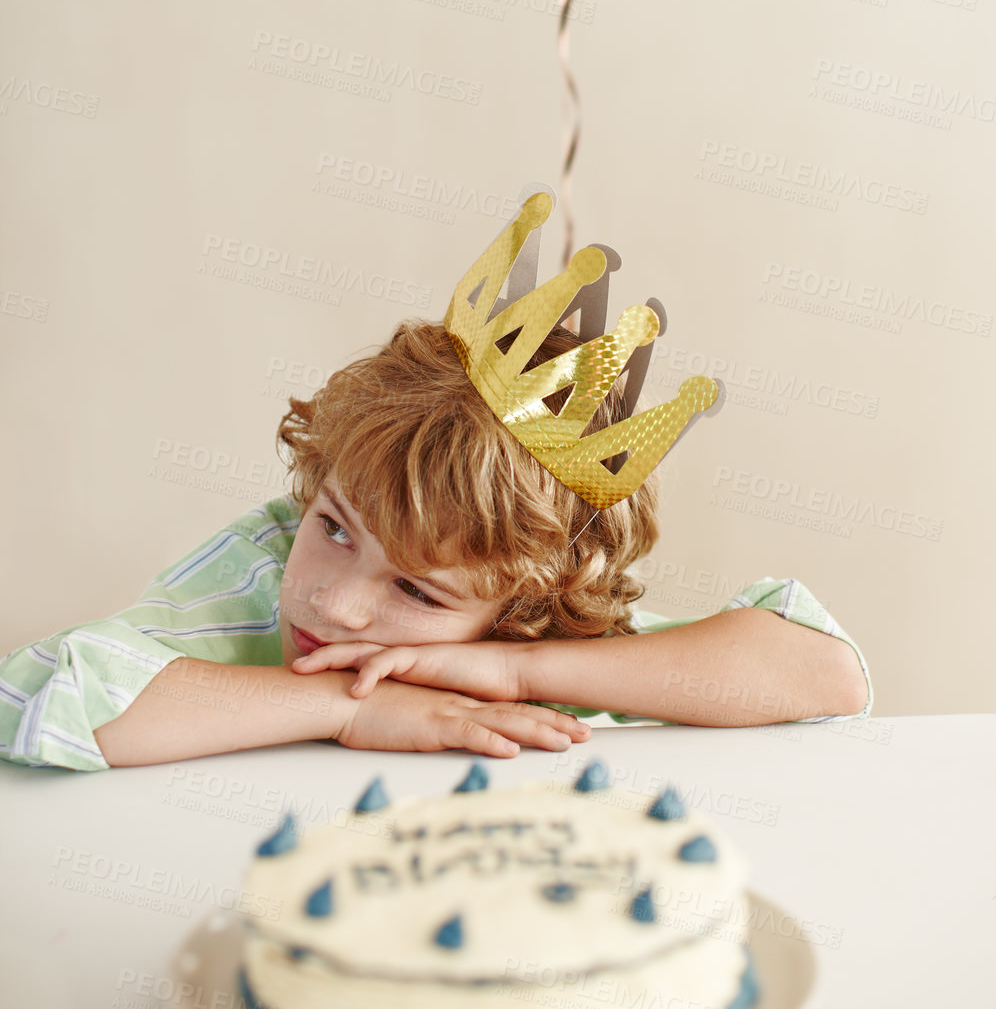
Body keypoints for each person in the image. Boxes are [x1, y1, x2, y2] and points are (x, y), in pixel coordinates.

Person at [0, 202, 872, 772]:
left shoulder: (527, 647)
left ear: (524, 609)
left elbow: (825, 676)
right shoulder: (264, 571)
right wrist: (340, 707)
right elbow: (35, 698)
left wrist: (508, 670)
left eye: (416, 590)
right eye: (336, 528)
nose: (337, 606)